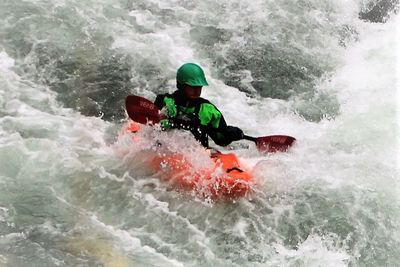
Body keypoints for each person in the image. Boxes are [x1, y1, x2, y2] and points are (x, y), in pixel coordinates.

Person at [154, 63, 244, 148]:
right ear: (182, 85)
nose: (197, 91)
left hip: (196, 154)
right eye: (193, 87)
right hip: (164, 148)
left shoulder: (208, 110)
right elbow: (150, 123)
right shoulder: (165, 101)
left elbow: (220, 140)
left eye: (199, 87)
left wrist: (229, 134)